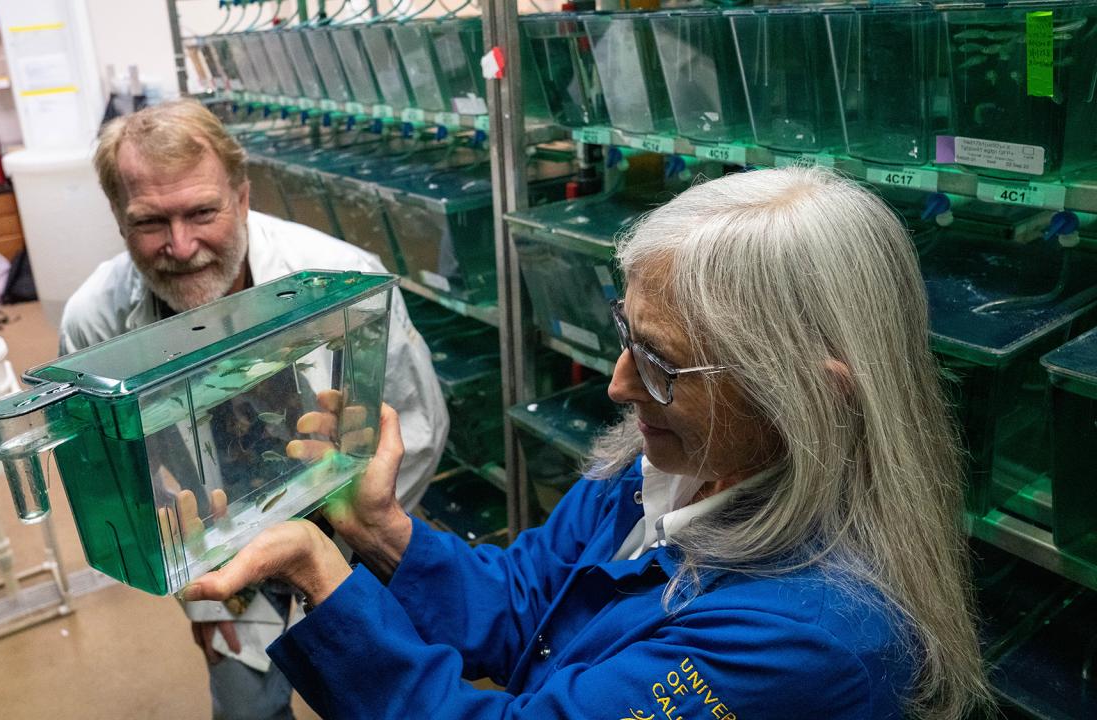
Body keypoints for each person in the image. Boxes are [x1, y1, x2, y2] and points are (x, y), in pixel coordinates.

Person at [184, 167, 992, 719]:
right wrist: (376, 526)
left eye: (664, 363)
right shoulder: (670, 465)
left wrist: (321, 576)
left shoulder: (808, 635)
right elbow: (523, 602)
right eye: (627, 337)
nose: (618, 384)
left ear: (813, 393)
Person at [58, 99, 449, 720]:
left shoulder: (341, 276)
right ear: (118, 219)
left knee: (381, 692)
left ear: (242, 197)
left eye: (202, 212)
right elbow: (132, 493)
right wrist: (202, 598)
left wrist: (362, 546)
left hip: (349, 532)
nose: (181, 247)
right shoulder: (95, 323)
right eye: (150, 222)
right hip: (220, 556)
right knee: (247, 705)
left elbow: (418, 428)